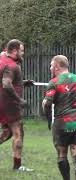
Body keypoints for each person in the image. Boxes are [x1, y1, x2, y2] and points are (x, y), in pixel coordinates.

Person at [42, 55, 76, 180]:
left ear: (57, 66)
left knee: (62, 154)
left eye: (51, 66)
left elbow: (47, 103)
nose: (50, 68)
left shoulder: (54, 82)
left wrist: (47, 115)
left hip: (62, 122)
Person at [0, 39, 33, 171]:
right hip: (9, 104)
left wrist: (22, 82)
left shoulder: (2, 57)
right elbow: (6, 84)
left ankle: (17, 165)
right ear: (14, 51)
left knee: (7, 132)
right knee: (18, 132)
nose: (23, 54)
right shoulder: (12, 65)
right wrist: (19, 100)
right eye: (21, 51)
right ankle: (17, 166)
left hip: (2, 101)